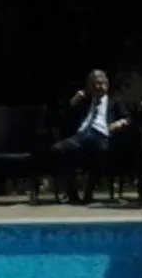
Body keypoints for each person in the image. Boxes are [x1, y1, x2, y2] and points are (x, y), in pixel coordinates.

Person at [52, 71, 131, 204]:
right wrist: (73, 102)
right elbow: (63, 117)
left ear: (107, 85)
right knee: (58, 149)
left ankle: (88, 192)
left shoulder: (114, 101)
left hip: (102, 136)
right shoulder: (85, 101)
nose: (98, 87)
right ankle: (72, 194)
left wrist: (119, 123)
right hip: (81, 136)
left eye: (102, 84)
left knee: (94, 147)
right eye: (95, 84)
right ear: (89, 87)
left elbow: (128, 118)